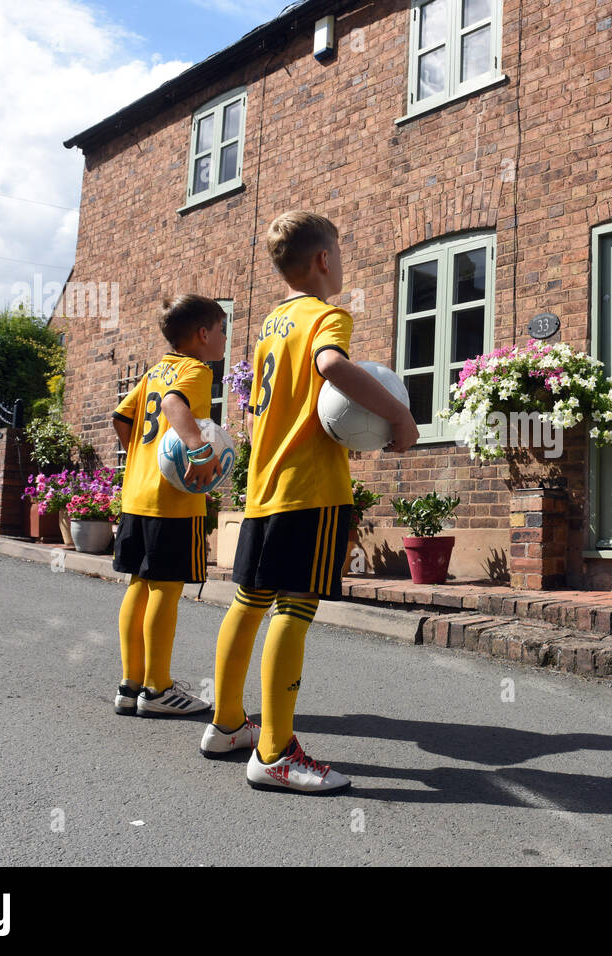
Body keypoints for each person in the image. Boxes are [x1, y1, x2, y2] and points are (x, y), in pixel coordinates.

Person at [206, 211, 417, 790]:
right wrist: (398, 414)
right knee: (294, 611)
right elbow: (332, 366)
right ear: (324, 259)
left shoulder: (272, 323)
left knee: (249, 601)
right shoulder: (328, 315)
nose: (342, 264)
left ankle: (227, 724)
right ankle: (275, 753)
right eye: (341, 254)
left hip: (264, 487)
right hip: (311, 490)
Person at [111, 294, 227, 719]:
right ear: (202, 335)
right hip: (172, 501)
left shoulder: (154, 371)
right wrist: (197, 450)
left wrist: (144, 460)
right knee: (166, 588)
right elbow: (174, 405)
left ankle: (131, 684)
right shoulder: (195, 370)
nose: (224, 337)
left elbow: (122, 420)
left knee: (138, 587)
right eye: (221, 329)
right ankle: (158, 688)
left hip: (137, 494)